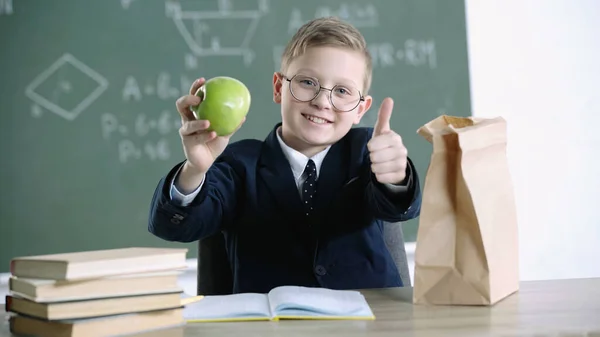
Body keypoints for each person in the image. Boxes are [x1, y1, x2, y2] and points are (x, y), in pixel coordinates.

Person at [148, 17, 422, 294]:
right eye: (307, 82)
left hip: (370, 323)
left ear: (361, 109)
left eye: (342, 91)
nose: (322, 101)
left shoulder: (367, 152)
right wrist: (195, 170)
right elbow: (173, 228)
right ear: (279, 88)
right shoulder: (238, 164)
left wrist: (396, 177)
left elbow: (395, 205)